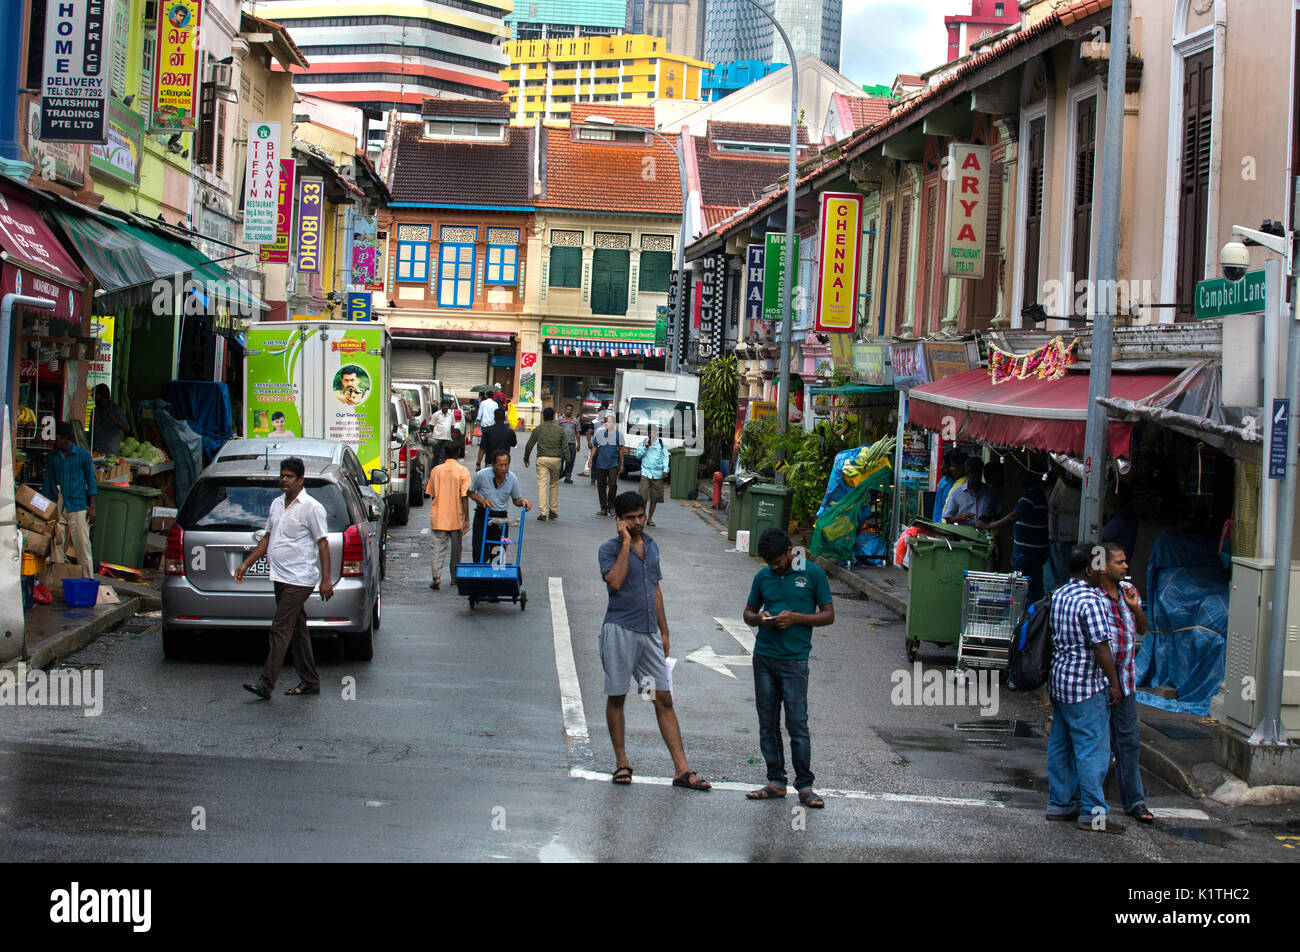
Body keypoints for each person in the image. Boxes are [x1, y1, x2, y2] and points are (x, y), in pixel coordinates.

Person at [599, 491, 710, 791]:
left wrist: (664, 630)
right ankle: (622, 761)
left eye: (641, 516)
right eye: (631, 518)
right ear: (619, 521)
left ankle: (682, 769)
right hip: (620, 630)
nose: (638, 522)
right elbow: (617, 582)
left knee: (663, 698)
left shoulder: (652, 546)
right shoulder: (608, 550)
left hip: (648, 634)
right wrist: (625, 543)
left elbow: (655, 588)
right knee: (618, 696)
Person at [742, 528, 835, 809]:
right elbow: (747, 612)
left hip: (795, 660)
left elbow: (828, 615)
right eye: (769, 563)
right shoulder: (763, 577)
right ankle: (775, 780)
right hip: (764, 657)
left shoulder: (813, 574)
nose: (774, 567)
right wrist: (760, 618)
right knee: (767, 722)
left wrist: (796, 618)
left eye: (778, 561)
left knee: (797, 723)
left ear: (789, 552)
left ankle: (805, 785)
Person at [1046, 544, 1126, 833]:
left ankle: (1060, 804)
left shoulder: (1060, 594)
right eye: (1100, 566)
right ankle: (1094, 814)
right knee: (1093, 749)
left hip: (1060, 681)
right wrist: (1114, 684)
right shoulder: (1092, 601)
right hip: (1085, 686)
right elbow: (1101, 647)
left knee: (1061, 745)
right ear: (1089, 570)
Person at [235, 457, 330, 699]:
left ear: (301, 480)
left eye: (289, 476)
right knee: (298, 631)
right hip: (280, 576)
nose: (284, 480)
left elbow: (322, 543)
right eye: (282, 475)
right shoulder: (277, 504)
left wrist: (326, 579)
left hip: (300, 579)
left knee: (280, 628)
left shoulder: (311, 507)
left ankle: (266, 683)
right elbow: (267, 538)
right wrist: (246, 564)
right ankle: (310, 680)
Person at [1090, 541, 1154, 824]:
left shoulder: (1130, 592)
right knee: (1095, 743)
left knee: (1129, 742)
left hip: (1126, 682)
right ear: (1102, 566)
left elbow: (1142, 628)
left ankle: (1135, 802)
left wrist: (1135, 607)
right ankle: (1088, 800)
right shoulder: (1091, 597)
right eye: (1120, 562)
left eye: (1125, 561)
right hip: (1097, 683)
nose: (1126, 566)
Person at [978, 478, 1050, 603]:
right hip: (1029, 553)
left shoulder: (1031, 496)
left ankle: (1023, 618)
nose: (1016, 476)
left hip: (1028, 554)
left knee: (1018, 593)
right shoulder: (1036, 496)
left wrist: (988, 526)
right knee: (1030, 590)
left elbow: (1013, 517)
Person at [42, 422, 97, 578]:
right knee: (56, 548)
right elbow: (48, 484)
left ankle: (88, 580)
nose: (55, 441)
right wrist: (47, 510)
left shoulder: (83, 455)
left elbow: (91, 483)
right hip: (58, 507)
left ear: (66, 438)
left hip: (78, 505)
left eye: (57, 438)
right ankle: (59, 582)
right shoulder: (53, 458)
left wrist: (92, 508)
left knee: (83, 547)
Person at [467, 449, 531, 563]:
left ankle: (495, 578)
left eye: (506, 465)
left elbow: (516, 499)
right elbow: (470, 492)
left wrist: (523, 502)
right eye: (500, 465)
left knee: (497, 553)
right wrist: (482, 500)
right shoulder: (482, 475)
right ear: (493, 465)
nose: (503, 468)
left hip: (501, 518)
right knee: (479, 552)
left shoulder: (512, 478)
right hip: (483, 515)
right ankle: (480, 576)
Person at [425, 440, 471, 590]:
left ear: (444, 453)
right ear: (458, 453)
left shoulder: (436, 471)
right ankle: (454, 577)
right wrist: (466, 518)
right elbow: (464, 496)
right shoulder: (463, 471)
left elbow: (432, 494)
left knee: (437, 548)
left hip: (439, 515)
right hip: (456, 516)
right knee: (456, 550)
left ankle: (436, 577)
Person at [523, 406, 571, 521]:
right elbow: (565, 448)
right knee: (554, 484)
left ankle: (543, 512)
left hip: (542, 459)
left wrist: (526, 458)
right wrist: (568, 462)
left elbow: (529, 445)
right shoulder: (560, 430)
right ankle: (553, 511)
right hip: (556, 460)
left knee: (542, 485)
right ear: (554, 417)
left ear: (543, 417)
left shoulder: (538, 429)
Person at [942, 457, 999, 526]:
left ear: (981, 473)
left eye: (977, 476)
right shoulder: (956, 493)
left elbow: (998, 514)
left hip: (985, 534)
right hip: (963, 535)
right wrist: (962, 517)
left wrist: (988, 517)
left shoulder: (990, 492)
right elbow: (947, 518)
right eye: (973, 477)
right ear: (967, 473)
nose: (975, 480)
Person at [635, 423, 670, 527]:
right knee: (643, 496)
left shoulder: (661, 443)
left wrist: (665, 469)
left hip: (657, 474)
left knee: (655, 497)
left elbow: (665, 457)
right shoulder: (643, 442)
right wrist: (645, 447)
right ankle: (643, 516)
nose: (651, 434)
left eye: (653, 432)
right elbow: (638, 456)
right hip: (645, 472)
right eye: (650, 432)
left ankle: (650, 518)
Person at [592, 412, 625, 516]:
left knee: (612, 484)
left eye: (609, 422)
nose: (607, 424)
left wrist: (622, 464)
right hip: (601, 463)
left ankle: (611, 506)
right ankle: (603, 508)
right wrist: (590, 459)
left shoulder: (618, 435)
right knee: (601, 485)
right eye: (606, 422)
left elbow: (620, 450)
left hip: (613, 464)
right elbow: (595, 447)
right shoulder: (599, 434)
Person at [1100, 482, 1138, 562]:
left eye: (1109, 494)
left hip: (1115, 563)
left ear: (1118, 496)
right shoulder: (1123, 514)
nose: (1107, 497)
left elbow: (1101, 537)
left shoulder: (1122, 517)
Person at [91, 384, 130, 454]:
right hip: (96, 451)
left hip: (110, 452)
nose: (92, 398)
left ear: (102, 396)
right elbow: (91, 431)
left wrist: (113, 420)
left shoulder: (116, 410)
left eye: (94, 395)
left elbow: (126, 428)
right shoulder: (95, 411)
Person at [930, 451, 966, 522]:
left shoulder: (962, 484)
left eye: (945, 466)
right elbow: (938, 508)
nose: (941, 469)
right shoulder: (943, 481)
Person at [429, 397, 456, 466]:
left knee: (444, 456)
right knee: (436, 456)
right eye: (444, 405)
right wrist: (436, 433)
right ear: (441, 406)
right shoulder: (436, 414)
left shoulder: (451, 415)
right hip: (437, 438)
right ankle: (435, 469)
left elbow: (452, 426)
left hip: (447, 438)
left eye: (447, 406)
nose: (445, 407)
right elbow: (431, 426)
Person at [557, 404, 581, 483]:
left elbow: (577, 432)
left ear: (572, 411)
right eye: (567, 409)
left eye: (570, 409)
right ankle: (559, 474)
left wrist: (578, 444)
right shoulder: (560, 419)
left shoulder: (575, 420)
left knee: (570, 461)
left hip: (572, 444)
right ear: (565, 409)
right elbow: (555, 431)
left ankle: (568, 476)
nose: (569, 411)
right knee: (560, 460)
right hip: (561, 444)